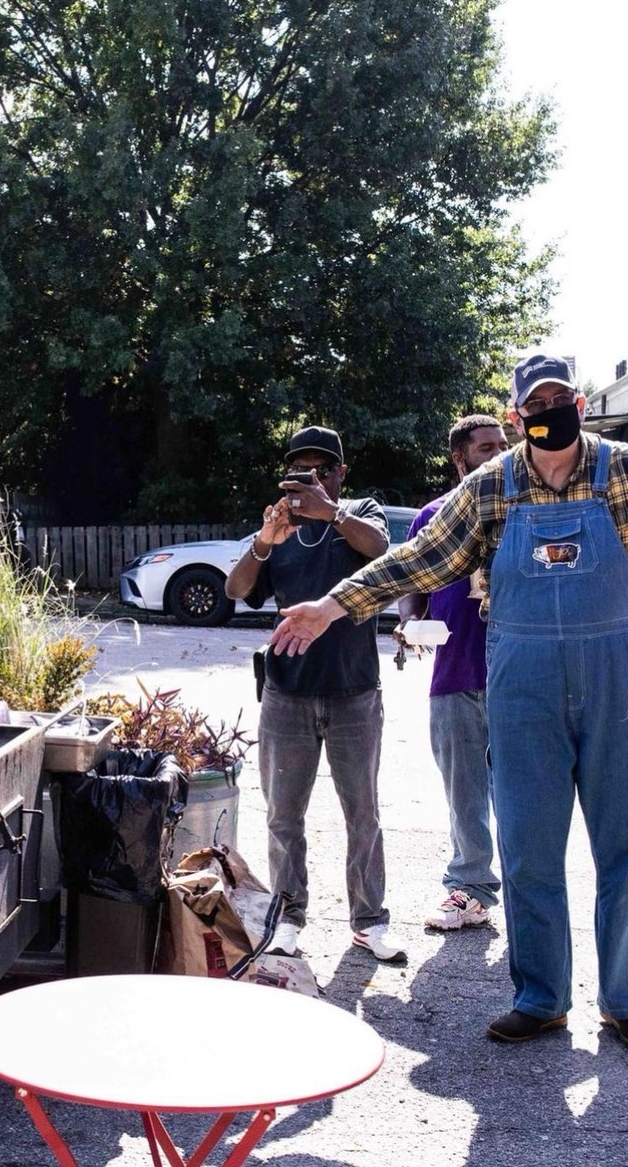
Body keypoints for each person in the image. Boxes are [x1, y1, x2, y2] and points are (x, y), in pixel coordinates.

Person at [268, 355, 628, 1048]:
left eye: (560, 399)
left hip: (616, 682)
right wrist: (332, 606)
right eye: (535, 404)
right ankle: (542, 997)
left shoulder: (619, 472)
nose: (548, 411)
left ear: (581, 406)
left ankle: (624, 1000)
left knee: (623, 849)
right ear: (518, 416)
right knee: (527, 851)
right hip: (521, 688)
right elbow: (420, 559)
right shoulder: (492, 486)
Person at [224, 425, 407, 964]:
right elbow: (237, 590)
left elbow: (381, 550)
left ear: (341, 473)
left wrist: (330, 511)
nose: (312, 480)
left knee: (362, 813)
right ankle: (288, 917)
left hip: (354, 690)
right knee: (283, 815)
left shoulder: (360, 513)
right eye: (300, 471)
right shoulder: (279, 527)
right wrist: (263, 542)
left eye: (323, 470)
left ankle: (369, 922)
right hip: (287, 692)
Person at [396, 415, 508, 931]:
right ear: (460, 458)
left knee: (522, 798)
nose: (499, 454)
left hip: (520, 677)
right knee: (464, 796)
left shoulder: (525, 511)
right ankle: (469, 890)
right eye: (486, 448)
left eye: (504, 444)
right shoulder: (434, 516)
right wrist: (408, 621)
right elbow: (412, 583)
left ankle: (529, 898)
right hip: (455, 673)